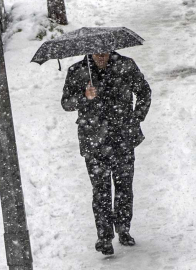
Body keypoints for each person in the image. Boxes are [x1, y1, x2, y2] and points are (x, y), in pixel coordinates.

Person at [61, 51, 151, 255]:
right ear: (89, 52)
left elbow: (144, 91)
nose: (101, 57)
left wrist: (136, 117)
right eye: (96, 53)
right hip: (93, 140)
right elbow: (66, 103)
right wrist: (84, 96)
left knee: (124, 187)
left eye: (105, 53)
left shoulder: (126, 65)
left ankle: (123, 229)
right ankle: (104, 237)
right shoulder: (77, 71)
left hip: (123, 138)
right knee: (100, 190)